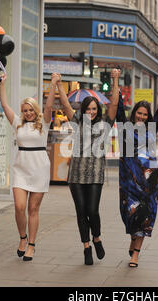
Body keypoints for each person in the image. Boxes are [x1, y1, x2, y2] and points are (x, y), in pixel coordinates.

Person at [116, 75, 158, 268]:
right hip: (128, 180)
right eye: (139, 113)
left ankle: (136, 253)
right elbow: (119, 111)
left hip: (149, 180)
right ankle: (133, 239)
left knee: (145, 215)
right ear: (134, 113)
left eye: (145, 114)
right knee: (129, 214)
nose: (142, 117)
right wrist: (117, 86)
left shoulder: (152, 128)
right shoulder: (125, 128)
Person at [57, 69, 121, 265]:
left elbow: (115, 103)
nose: (91, 112)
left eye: (94, 109)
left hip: (95, 174)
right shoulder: (77, 121)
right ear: (83, 110)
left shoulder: (106, 123)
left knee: (92, 210)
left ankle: (97, 238)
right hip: (76, 176)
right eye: (88, 109)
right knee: (80, 211)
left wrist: (115, 79)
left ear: (98, 110)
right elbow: (66, 104)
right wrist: (59, 84)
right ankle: (86, 246)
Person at [0, 72, 55, 261]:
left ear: (35, 110)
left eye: (30, 109)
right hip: (20, 169)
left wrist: (53, 83)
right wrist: (2, 83)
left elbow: (49, 105)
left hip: (39, 169)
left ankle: (31, 245)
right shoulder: (17, 124)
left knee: (33, 209)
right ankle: (22, 238)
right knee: (19, 206)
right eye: (24, 110)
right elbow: (5, 105)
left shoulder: (43, 124)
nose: (28, 113)